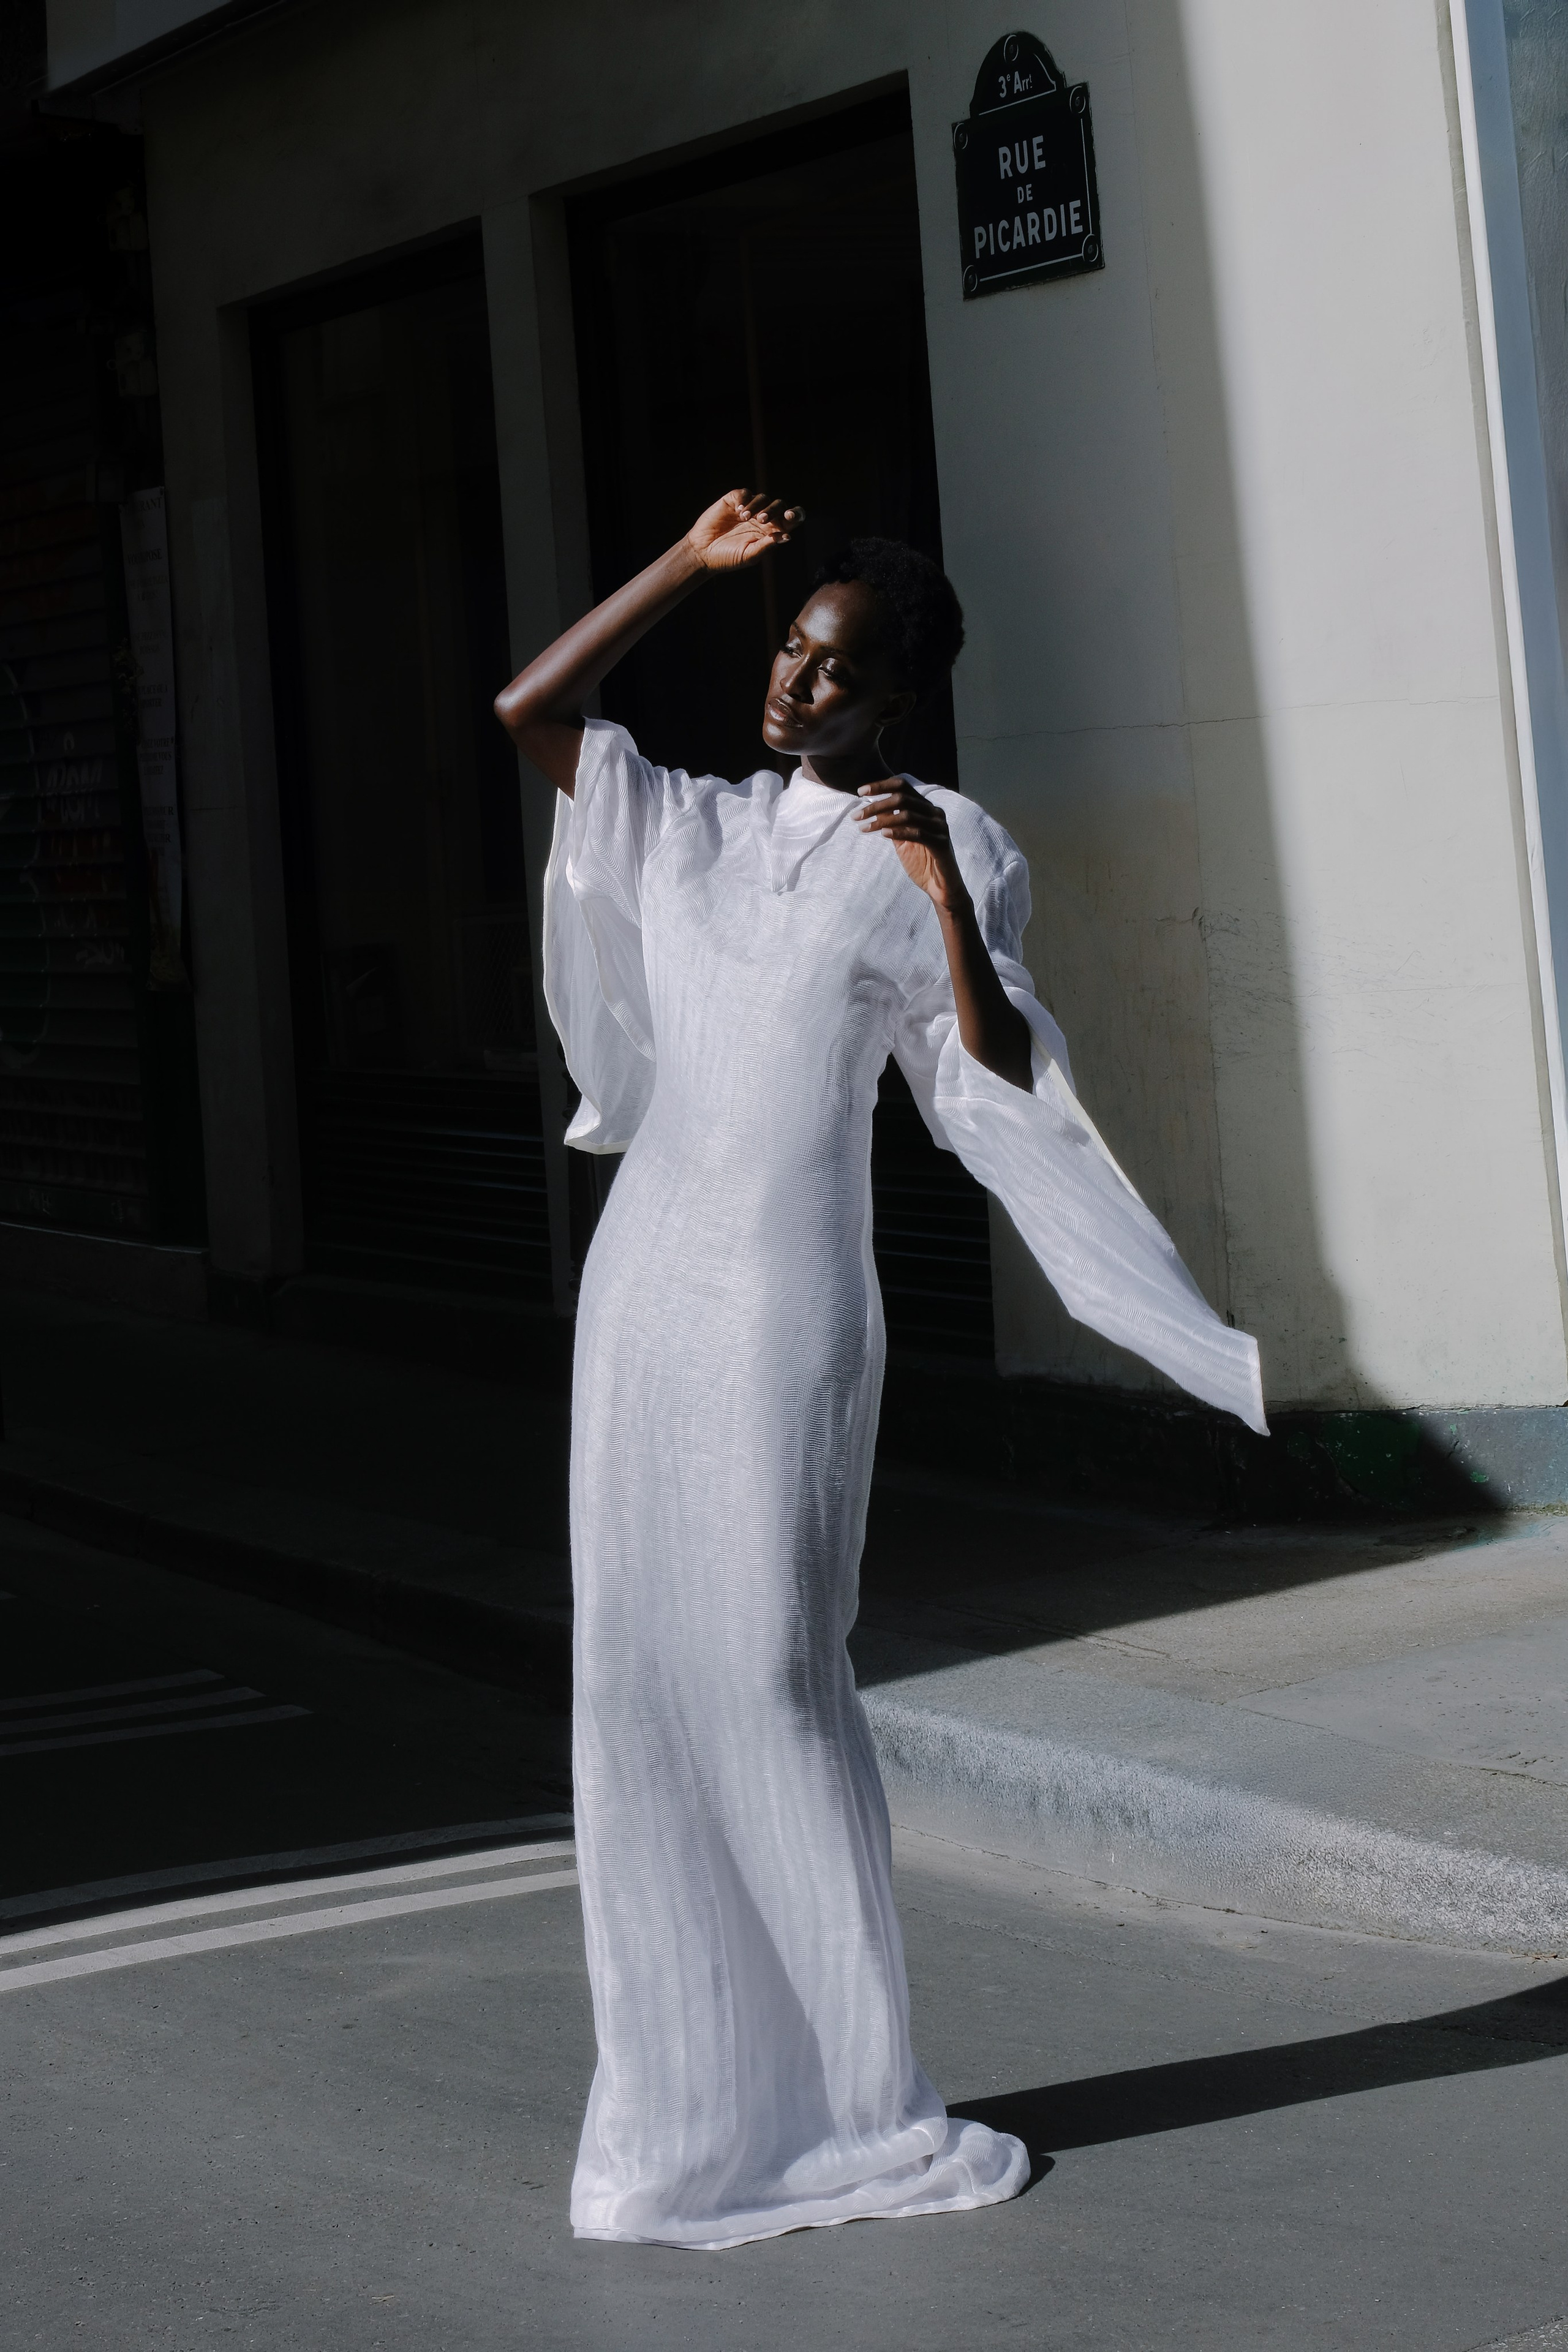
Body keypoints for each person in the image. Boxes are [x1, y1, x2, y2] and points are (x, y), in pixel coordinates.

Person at [494, 489, 1265, 2250]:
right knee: (630, 1678)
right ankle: (680, 2116)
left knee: (771, 1668)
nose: (793, 686)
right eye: (785, 649)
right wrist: (686, 574)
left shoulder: (955, 847)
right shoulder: (691, 825)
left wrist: (942, 903)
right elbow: (528, 714)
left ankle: (857, 2095)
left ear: (890, 699)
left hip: (785, 1296)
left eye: (833, 672)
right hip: (647, 1292)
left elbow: (994, 1073)